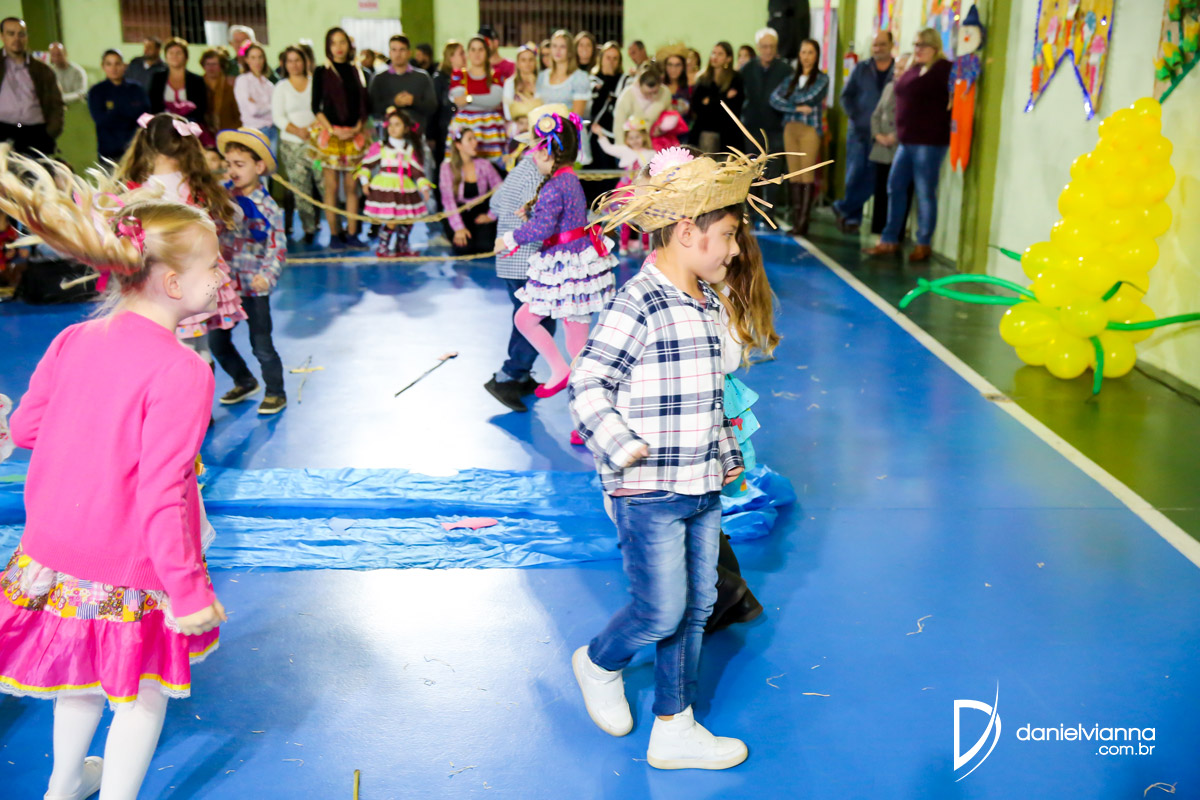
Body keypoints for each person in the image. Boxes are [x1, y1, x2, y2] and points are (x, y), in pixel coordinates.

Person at [0, 156, 226, 800]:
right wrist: (185, 590)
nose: (221, 276)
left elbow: (26, 430)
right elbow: (161, 492)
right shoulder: (184, 370)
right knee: (143, 688)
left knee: (80, 676)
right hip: (130, 560)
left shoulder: (75, 339)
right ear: (174, 283)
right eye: (214, 266)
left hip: (53, 550)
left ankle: (63, 785)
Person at [567, 145, 749, 771]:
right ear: (688, 231)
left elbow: (710, 395)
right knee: (660, 610)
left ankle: (674, 727)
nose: (733, 250)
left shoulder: (707, 303)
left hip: (700, 485)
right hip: (646, 490)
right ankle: (598, 662)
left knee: (697, 607)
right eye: (728, 236)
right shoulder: (638, 301)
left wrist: (725, 452)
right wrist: (622, 447)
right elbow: (587, 383)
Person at [497, 105, 617, 399]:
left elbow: (543, 228)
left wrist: (510, 238)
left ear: (548, 153)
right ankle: (577, 384)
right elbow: (560, 218)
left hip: (565, 268)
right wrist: (534, 213)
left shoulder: (554, 186)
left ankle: (579, 387)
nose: (534, 158)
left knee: (536, 325)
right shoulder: (569, 178)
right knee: (572, 339)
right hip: (575, 263)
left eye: (536, 152)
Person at [115, 112, 245, 362]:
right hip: (201, 273)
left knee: (174, 343)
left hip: (162, 277)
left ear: (146, 145)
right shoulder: (198, 187)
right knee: (201, 344)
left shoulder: (136, 191)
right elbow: (236, 216)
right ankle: (203, 383)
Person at [211, 127, 288, 415]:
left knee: (262, 345)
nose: (232, 170)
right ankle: (244, 380)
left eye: (240, 164)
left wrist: (266, 277)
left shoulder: (268, 207)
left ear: (259, 167)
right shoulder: (221, 198)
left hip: (254, 288)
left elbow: (277, 247)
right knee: (216, 342)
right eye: (229, 164)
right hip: (225, 287)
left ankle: (276, 392)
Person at [863, 28, 952, 262]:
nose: (918, 49)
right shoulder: (914, 68)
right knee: (895, 186)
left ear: (934, 47)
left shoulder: (943, 69)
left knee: (924, 192)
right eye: (915, 45)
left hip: (928, 141)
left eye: (923, 45)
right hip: (907, 140)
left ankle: (923, 242)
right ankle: (890, 238)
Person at [482, 147, 552, 413]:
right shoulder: (537, 177)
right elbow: (541, 221)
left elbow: (495, 204)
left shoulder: (519, 170)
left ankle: (520, 375)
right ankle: (508, 376)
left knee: (524, 319)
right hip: (526, 261)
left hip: (511, 262)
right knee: (540, 321)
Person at [311, 26, 370, 245]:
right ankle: (335, 234)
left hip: (354, 135)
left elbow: (364, 105)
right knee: (332, 187)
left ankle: (353, 233)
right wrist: (331, 129)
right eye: (334, 43)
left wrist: (356, 128)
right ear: (328, 46)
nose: (338, 47)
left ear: (349, 45)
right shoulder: (321, 71)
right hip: (331, 135)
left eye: (342, 42)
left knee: (352, 187)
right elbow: (315, 106)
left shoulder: (358, 71)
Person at [832, 30, 894, 234]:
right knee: (855, 175)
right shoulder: (862, 68)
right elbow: (845, 97)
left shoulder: (897, 70)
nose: (878, 48)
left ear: (891, 45)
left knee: (874, 179)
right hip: (859, 132)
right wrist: (856, 116)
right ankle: (852, 218)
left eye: (882, 44)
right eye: (875, 45)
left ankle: (843, 207)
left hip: (883, 136)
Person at [769, 38, 830, 236]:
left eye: (810, 52)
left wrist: (788, 100)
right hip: (790, 128)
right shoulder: (790, 79)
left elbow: (810, 98)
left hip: (809, 129)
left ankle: (804, 222)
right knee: (793, 174)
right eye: (803, 52)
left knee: (806, 173)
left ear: (817, 55)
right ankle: (796, 221)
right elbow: (774, 99)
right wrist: (795, 108)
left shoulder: (822, 79)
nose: (806, 57)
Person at [359, 109, 432, 256]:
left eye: (397, 124)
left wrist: (424, 187)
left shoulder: (409, 150)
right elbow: (366, 165)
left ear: (406, 128)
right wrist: (365, 181)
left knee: (407, 220)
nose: (392, 128)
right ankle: (383, 247)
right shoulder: (381, 147)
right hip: (386, 188)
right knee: (391, 221)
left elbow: (417, 172)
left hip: (404, 189)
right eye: (390, 124)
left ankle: (402, 246)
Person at [740, 27, 790, 212]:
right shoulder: (747, 69)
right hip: (752, 127)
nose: (768, 50)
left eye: (772, 46)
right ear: (758, 47)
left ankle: (769, 212)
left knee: (773, 172)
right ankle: (751, 212)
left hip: (775, 128)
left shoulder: (785, 70)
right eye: (764, 46)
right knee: (750, 171)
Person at [272, 45, 319, 244]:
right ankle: (308, 228)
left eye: (297, 60)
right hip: (291, 145)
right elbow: (278, 117)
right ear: (285, 64)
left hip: (317, 144)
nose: (294, 64)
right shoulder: (281, 87)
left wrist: (311, 129)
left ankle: (330, 225)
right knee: (301, 188)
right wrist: (298, 131)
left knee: (323, 183)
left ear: (305, 61)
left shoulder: (315, 83)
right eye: (289, 60)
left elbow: (321, 110)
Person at [0, 17, 64, 157]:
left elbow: (56, 105)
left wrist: (50, 133)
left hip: (36, 134)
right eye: (11, 34)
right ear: (2, 36)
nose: (17, 38)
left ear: (26, 37)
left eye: (21, 34)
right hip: (3, 132)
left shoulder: (42, 70)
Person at [592, 118, 654, 255]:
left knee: (645, 217)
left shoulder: (650, 153)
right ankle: (623, 244)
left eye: (638, 137)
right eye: (631, 138)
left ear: (644, 136)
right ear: (626, 139)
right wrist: (600, 135)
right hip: (626, 190)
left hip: (642, 190)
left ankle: (645, 245)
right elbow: (608, 148)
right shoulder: (625, 151)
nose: (635, 140)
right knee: (625, 218)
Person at [868, 53, 913, 236]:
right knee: (880, 190)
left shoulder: (914, 91)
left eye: (901, 69)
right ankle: (879, 230)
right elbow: (876, 114)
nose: (897, 72)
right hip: (882, 147)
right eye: (896, 69)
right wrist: (878, 134)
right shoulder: (889, 88)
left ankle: (895, 233)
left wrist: (895, 136)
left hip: (900, 147)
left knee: (900, 191)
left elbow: (911, 118)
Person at [446, 36, 506, 166]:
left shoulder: (496, 75)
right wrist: (484, 101)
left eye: (480, 49)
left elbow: (495, 100)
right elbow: (459, 101)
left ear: (487, 52)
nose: (477, 54)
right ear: (468, 53)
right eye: (473, 50)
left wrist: (469, 98)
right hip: (465, 127)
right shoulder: (459, 75)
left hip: (490, 131)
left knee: (493, 168)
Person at [440, 127, 501, 254]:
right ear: (459, 145)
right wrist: (459, 228)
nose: (475, 142)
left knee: (486, 246)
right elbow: (448, 201)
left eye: (475, 138)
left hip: (481, 212)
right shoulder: (446, 168)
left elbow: (502, 191)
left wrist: (491, 216)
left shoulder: (485, 165)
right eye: (470, 139)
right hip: (458, 212)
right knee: (463, 248)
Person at [536, 30, 593, 163]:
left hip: (570, 136)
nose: (558, 50)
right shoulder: (542, 77)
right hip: (545, 136)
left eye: (562, 46)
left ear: (570, 51)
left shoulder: (579, 77)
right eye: (554, 46)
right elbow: (538, 108)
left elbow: (576, 115)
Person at [88, 49, 151, 163]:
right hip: (109, 153)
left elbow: (144, 117)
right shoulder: (97, 91)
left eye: (117, 63)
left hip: (135, 150)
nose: (114, 68)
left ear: (124, 66)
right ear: (103, 67)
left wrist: (116, 112)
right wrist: (129, 113)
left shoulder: (136, 89)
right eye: (109, 64)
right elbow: (101, 119)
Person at [367, 35, 436, 134]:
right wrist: (394, 102)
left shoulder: (422, 77)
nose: (398, 54)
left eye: (402, 50)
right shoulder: (379, 78)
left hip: (416, 134)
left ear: (409, 53)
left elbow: (432, 107)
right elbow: (372, 108)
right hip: (387, 135)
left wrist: (413, 101)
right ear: (390, 53)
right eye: (394, 50)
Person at [690, 41, 744, 153]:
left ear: (728, 58)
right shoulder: (703, 79)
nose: (715, 57)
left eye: (720, 54)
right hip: (706, 130)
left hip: (728, 133)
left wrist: (709, 101)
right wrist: (724, 97)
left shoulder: (735, 78)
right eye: (713, 53)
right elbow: (696, 106)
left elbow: (734, 107)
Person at [148, 39, 208, 134]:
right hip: (163, 127)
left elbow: (201, 108)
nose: (174, 56)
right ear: (166, 57)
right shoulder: (158, 78)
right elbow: (153, 104)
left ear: (186, 57)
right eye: (171, 53)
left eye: (178, 53)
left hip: (189, 127)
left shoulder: (196, 80)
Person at [611, 62, 671, 147]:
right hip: (632, 146)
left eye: (655, 92)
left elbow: (670, 115)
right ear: (639, 84)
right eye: (647, 93)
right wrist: (622, 148)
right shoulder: (627, 95)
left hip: (656, 144)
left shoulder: (665, 92)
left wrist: (663, 128)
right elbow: (618, 125)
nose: (651, 96)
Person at [429, 40, 464, 173]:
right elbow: (434, 109)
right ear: (451, 57)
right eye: (461, 53)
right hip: (443, 131)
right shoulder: (439, 79)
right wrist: (431, 135)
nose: (465, 57)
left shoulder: (464, 77)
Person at [234, 43, 275, 146]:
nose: (257, 61)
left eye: (260, 57)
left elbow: (277, 109)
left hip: (272, 130)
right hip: (253, 131)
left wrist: (261, 105)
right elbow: (253, 110)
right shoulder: (243, 80)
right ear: (247, 60)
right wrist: (272, 106)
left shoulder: (268, 84)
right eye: (253, 57)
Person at [200, 48, 240, 143]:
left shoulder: (230, 85)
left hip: (229, 134)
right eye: (208, 64)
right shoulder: (198, 84)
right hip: (204, 136)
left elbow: (238, 114)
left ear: (221, 66)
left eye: (214, 64)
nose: (211, 68)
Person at [502, 43, 541, 135]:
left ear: (535, 62)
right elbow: (508, 112)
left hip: (538, 126)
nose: (527, 64)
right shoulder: (510, 83)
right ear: (518, 63)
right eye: (523, 60)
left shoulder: (541, 81)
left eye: (531, 60)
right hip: (517, 128)